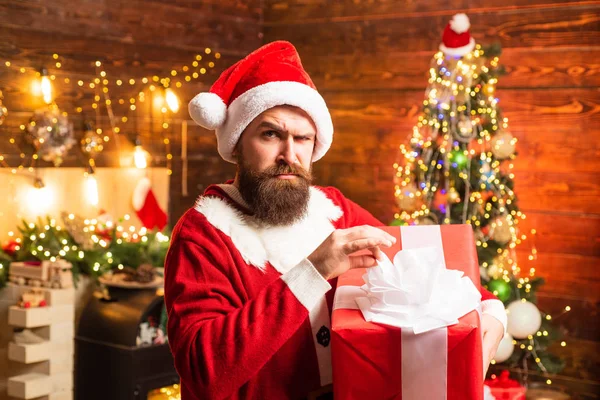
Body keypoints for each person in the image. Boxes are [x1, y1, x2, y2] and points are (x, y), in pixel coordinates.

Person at [164, 41, 506, 400]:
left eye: (302, 139)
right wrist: (311, 272)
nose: (289, 155)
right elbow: (205, 372)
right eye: (270, 134)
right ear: (237, 144)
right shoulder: (203, 234)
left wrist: (490, 312)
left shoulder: (335, 210)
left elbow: (420, 265)